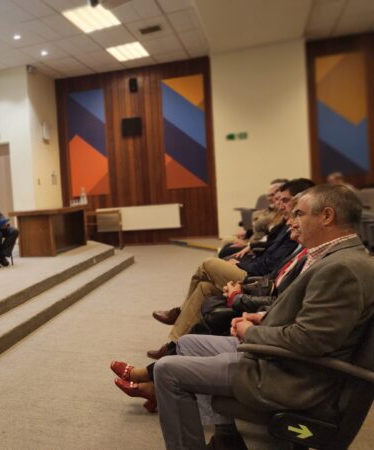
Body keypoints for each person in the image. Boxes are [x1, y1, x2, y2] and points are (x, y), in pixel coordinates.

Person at [151, 184, 374, 449]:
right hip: (286, 363)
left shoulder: (341, 268)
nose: (291, 221)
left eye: (299, 214)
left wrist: (250, 332)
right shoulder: (340, 258)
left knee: (168, 371)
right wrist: (263, 319)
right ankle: (227, 439)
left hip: (293, 378)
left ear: (326, 216)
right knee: (194, 346)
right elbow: (311, 321)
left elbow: (311, 340)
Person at [147, 179, 313, 359]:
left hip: (258, 278)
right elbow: (269, 256)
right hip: (259, 276)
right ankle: (173, 344)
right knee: (205, 287)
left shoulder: (298, 234)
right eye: (277, 199)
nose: (280, 204)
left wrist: (242, 269)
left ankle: (179, 313)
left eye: (285, 201)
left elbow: (269, 264)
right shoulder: (287, 224)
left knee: (208, 264)